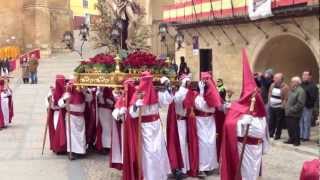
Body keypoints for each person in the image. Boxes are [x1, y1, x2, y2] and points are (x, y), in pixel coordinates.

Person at [220, 49, 269, 180]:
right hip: (245, 148)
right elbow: (230, 125)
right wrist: (242, 122)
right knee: (246, 174)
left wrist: (264, 146)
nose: (256, 97)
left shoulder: (261, 113)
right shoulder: (239, 109)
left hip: (257, 149)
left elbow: (265, 131)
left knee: (254, 172)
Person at [128, 72, 172, 180]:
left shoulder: (156, 93)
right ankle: (149, 176)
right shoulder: (138, 94)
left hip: (156, 125)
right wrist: (135, 106)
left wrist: (168, 89)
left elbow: (167, 102)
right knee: (149, 152)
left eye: (150, 81)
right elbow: (132, 114)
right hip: (145, 127)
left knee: (159, 150)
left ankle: (160, 175)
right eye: (145, 81)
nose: (148, 84)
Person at [194, 72, 222, 176]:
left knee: (210, 143)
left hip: (210, 121)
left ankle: (210, 165)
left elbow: (214, 106)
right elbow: (199, 105)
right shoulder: (197, 95)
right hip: (201, 121)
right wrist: (201, 93)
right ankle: (202, 167)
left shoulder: (212, 93)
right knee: (203, 143)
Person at [166, 75, 194, 178]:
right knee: (180, 144)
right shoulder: (180, 93)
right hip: (179, 122)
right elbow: (177, 100)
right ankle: (179, 168)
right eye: (188, 83)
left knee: (184, 144)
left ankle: (184, 167)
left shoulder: (185, 92)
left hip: (183, 121)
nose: (189, 85)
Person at [58, 81, 93, 160]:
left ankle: (81, 151)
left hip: (81, 117)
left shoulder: (83, 93)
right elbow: (60, 104)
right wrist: (64, 99)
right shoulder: (67, 94)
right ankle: (71, 152)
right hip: (71, 117)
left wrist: (86, 91)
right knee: (71, 136)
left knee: (81, 135)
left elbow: (90, 99)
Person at [46, 75, 67, 153]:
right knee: (57, 130)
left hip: (65, 114)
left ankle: (64, 147)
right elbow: (51, 106)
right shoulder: (52, 93)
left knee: (64, 131)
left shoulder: (66, 91)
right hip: (57, 114)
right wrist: (50, 98)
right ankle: (58, 148)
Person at [285, 76, 306, 146]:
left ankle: (297, 141)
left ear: (297, 83)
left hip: (294, 113)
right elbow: (288, 99)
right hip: (288, 112)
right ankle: (291, 139)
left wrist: (292, 109)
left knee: (295, 127)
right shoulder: (292, 89)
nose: (291, 83)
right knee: (290, 127)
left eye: (292, 81)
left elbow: (300, 103)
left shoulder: (301, 91)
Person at [268, 73, 289, 139]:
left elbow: (286, 98)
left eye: (276, 78)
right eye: (274, 78)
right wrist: (269, 101)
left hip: (279, 107)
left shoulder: (285, 87)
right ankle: (270, 133)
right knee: (271, 121)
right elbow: (269, 93)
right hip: (272, 106)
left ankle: (277, 135)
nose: (274, 79)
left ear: (281, 79)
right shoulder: (272, 85)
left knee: (279, 122)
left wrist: (283, 106)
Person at [300, 71, 319, 141]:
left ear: (310, 76)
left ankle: (306, 137)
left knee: (306, 121)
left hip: (308, 106)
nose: (304, 76)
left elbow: (314, 97)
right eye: (303, 75)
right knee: (300, 121)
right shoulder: (301, 84)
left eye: (305, 75)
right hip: (300, 105)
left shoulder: (313, 86)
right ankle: (301, 135)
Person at [95, 87, 115, 153]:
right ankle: (105, 146)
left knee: (107, 129)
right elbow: (110, 102)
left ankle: (107, 146)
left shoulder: (99, 93)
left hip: (105, 111)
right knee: (106, 128)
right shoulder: (100, 93)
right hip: (104, 111)